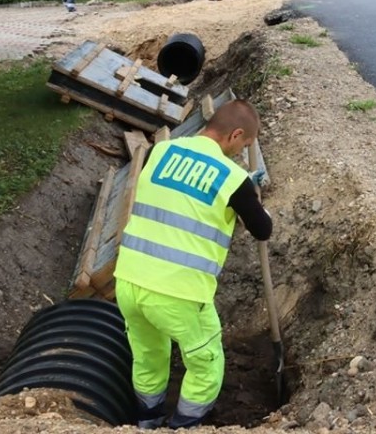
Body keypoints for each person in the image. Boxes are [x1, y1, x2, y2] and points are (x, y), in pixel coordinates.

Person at [113, 99, 273, 429]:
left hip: (128, 281)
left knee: (148, 356)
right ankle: (183, 425)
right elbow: (262, 228)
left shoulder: (161, 152)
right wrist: (250, 193)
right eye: (243, 146)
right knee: (205, 362)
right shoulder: (233, 179)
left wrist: (242, 191)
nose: (240, 154)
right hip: (179, 292)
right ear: (236, 134)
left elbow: (182, 195)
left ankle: (147, 422)